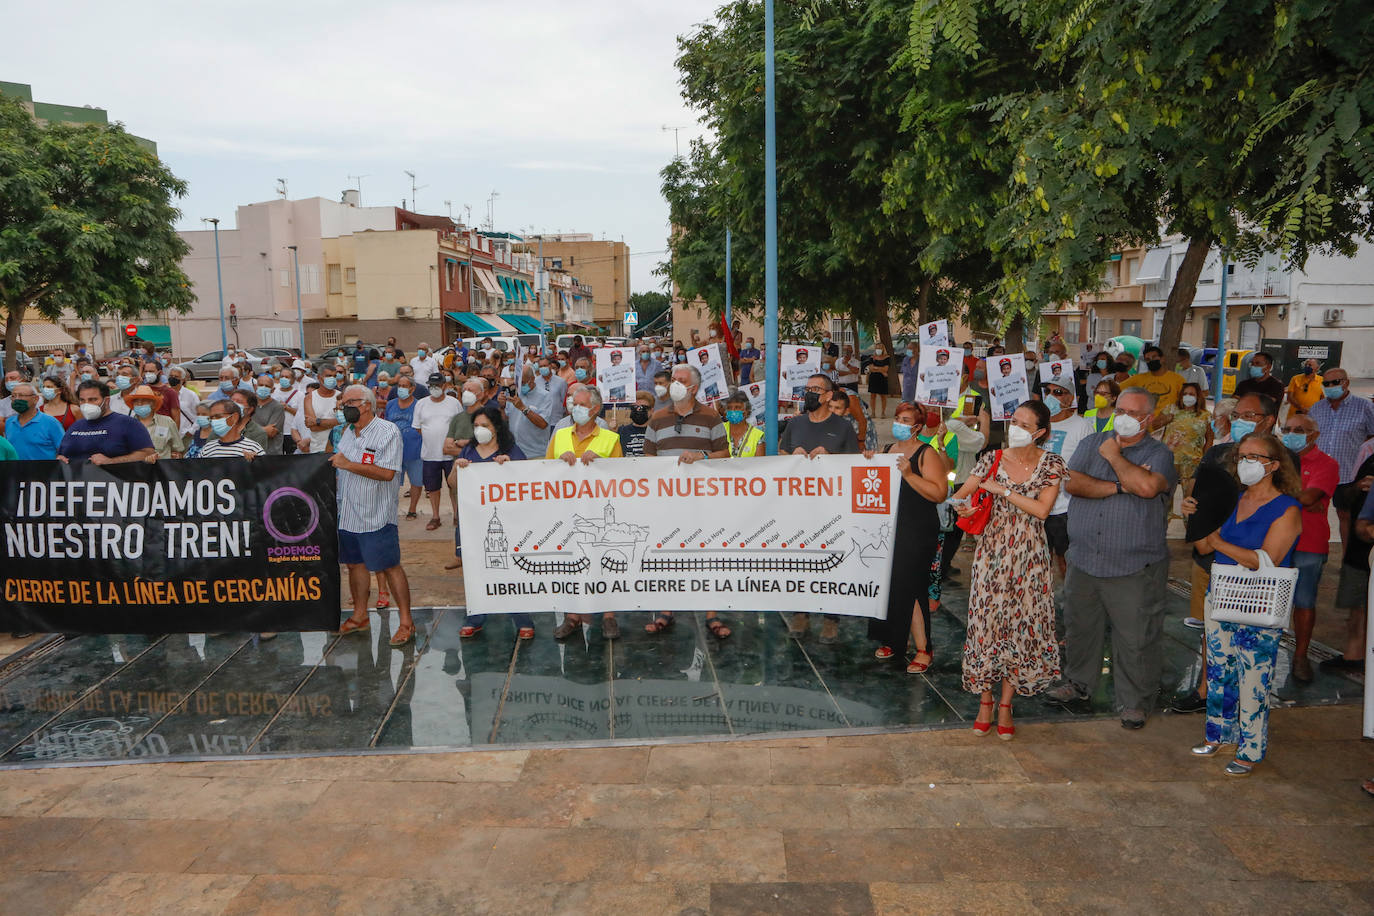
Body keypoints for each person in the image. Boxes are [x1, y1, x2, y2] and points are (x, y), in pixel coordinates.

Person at [1048, 389, 1178, 729]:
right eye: (1120, 409)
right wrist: (1121, 485)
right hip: (1085, 558)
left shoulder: (1159, 452)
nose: (1122, 416)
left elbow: (1149, 488)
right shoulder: (1092, 443)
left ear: (1148, 419)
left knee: (1135, 637)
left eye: (1132, 412)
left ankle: (1135, 701)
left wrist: (1116, 459)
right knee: (1080, 628)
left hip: (1133, 566)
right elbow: (1073, 483)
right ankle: (1078, 683)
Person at [952, 401, 1066, 740]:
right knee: (988, 627)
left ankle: (1006, 703)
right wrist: (966, 506)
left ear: (1040, 432)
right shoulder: (991, 459)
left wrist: (1003, 490)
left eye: (1023, 424)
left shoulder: (1053, 464)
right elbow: (960, 496)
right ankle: (984, 701)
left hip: (1030, 558)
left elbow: (1042, 510)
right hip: (992, 556)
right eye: (1013, 420)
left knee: (1021, 628)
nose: (1014, 427)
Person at [1190, 432, 1301, 775]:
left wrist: (1220, 540)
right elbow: (1204, 547)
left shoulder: (1288, 508)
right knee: (1219, 668)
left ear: (1273, 465)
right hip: (1221, 594)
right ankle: (1218, 735)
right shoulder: (1232, 499)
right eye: (1242, 456)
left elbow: (1265, 559)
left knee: (1253, 675)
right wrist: (1197, 514)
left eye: (1255, 457)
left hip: (1259, 603)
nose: (1246, 463)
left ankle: (1250, 750)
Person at [641, 365, 731, 639]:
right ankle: (666, 610)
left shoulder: (710, 417)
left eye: (680, 381)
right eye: (673, 380)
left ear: (693, 388)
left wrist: (701, 455)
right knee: (668, 554)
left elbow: (724, 454)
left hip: (703, 501)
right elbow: (648, 459)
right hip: (667, 502)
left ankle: (711, 613)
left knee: (706, 555)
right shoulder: (657, 418)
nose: (674, 384)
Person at [779, 373, 860, 644]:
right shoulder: (795, 424)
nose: (809, 393)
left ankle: (830, 618)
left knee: (831, 562)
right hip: (799, 505)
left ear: (828, 396)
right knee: (800, 560)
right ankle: (800, 613)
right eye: (807, 388)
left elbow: (853, 465)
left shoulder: (843, 427)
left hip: (831, 507)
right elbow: (780, 455)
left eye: (816, 389)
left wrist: (832, 458)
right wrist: (792, 457)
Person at [332, 386, 415, 647]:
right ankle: (359, 616)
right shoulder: (347, 432)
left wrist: (347, 465)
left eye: (348, 402)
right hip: (348, 514)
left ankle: (406, 622)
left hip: (376, 514)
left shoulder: (387, 432)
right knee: (354, 565)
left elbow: (388, 473)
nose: (344, 407)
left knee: (389, 566)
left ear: (366, 404)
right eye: (342, 403)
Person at [870, 401, 948, 672]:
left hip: (917, 527)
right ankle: (894, 639)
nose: (899, 424)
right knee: (890, 584)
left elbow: (939, 493)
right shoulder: (889, 449)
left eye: (905, 420)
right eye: (897, 418)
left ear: (917, 426)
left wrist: (909, 474)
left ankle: (924, 648)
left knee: (912, 586)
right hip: (890, 526)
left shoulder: (927, 453)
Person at [547, 384, 624, 640]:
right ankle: (573, 617)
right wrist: (560, 464)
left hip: (600, 512)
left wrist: (601, 465)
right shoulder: (559, 435)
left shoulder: (610, 438)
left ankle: (609, 616)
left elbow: (622, 477)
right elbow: (542, 472)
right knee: (571, 562)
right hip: (566, 511)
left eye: (581, 404)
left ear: (595, 408)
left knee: (605, 562)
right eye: (573, 402)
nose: (575, 408)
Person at [453, 405, 534, 639]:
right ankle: (475, 617)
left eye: (485, 426)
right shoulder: (468, 451)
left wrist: (510, 468)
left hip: (506, 524)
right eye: (476, 426)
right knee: (474, 569)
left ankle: (521, 618)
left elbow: (527, 482)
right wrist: (457, 469)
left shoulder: (512, 451)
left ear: (496, 427)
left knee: (510, 570)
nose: (480, 430)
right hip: (473, 522)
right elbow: (452, 482)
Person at [1276, 413, 1337, 683]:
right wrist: (1302, 499)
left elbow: (1310, 497)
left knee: (1303, 602)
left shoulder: (1326, 464)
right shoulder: (1276, 460)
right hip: (1275, 540)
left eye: (1299, 429)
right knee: (1271, 602)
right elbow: (1304, 499)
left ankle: (1300, 657)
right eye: (1287, 429)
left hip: (1309, 543)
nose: (1291, 433)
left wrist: (1282, 494)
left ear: (1314, 435)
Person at [1309, 366, 1374, 550]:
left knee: (1345, 515)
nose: (1330, 386)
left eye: (1335, 382)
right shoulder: (1317, 408)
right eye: (1326, 383)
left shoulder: (1365, 407)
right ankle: (1316, 552)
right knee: (1312, 512)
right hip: (1318, 473)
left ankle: (1346, 558)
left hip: (1347, 473)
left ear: (1346, 383)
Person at [1040, 379, 1094, 579]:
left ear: (1070, 398)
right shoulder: (1037, 424)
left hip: (1066, 508)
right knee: (1039, 562)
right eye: (1048, 391)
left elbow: (1091, 466)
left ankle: (1071, 603)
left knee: (1067, 560)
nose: (1052, 396)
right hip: (1036, 506)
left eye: (1059, 392)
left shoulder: (1081, 426)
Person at [57, 380, 154, 465]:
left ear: (107, 401)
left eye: (93, 399)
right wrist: (60, 460)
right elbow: (62, 454)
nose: (87, 404)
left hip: (115, 483)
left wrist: (111, 462)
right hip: (78, 483)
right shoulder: (75, 426)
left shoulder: (129, 424)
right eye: (82, 400)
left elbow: (148, 453)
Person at [415, 375, 465, 530]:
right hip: (430, 454)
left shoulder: (454, 403)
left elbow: (460, 425)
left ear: (444, 385)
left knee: (455, 486)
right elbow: (418, 427)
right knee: (433, 488)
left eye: (437, 385)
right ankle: (435, 517)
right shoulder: (421, 404)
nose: (434, 388)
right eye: (431, 385)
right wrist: (433, 438)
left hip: (451, 455)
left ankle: (457, 515)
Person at [1158, 382, 1211, 514]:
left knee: (1191, 498)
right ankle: (1162, 528)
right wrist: (1166, 419)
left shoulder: (1205, 415)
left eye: (1191, 394)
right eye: (1185, 394)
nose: (1188, 397)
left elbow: (1209, 438)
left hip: (1192, 463)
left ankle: (1190, 528)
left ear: (1198, 397)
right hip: (1169, 461)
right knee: (1165, 498)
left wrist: (1204, 458)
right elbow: (1154, 424)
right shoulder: (1171, 409)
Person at [384, 376, 425, 521]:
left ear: (412, 388)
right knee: (392, 483)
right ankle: (391, 510)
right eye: (399, 385)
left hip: (415, 451)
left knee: (416, 481)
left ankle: (412, 509)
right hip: (394, 452)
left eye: (404, 385)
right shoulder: (390, 405)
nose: (401, 388)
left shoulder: (420, 405)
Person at [1, 382, 64, 459]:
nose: (16, 399)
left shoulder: (51, 423)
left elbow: (64, 451)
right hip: (15, 470)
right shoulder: (9, 422)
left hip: (43, 470)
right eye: (13, 396)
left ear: (35, 399)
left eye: (21, 395)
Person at [506, 365, 554, 461]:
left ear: (532, 379)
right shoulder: (514, 394)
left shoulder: (545, 397)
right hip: (513, 453)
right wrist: (502, 405)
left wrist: (523, 408)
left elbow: (543, 424)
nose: (519, 386)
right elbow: (506, 418)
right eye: (517, 383)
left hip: (535, 455)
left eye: (522, 383)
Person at [126, 385, 184, 461]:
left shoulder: (167, 422)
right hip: (137, 469)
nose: (139, 403)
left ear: (153, 404)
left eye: (144, 400)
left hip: (162, 469)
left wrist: (177, 456)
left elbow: (178, 449)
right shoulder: (127, 424)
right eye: (136, 401)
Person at [1120, 345, 1184, 413]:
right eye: (1148, 359)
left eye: (1154, 357)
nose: (1151, 360)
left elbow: (1185, 401)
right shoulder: (1138, 378)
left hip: (1167, 421)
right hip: (1143, 420)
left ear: (1162, 359)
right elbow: (1115, 389)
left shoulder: (1177, 379)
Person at [198, 399, 265, 459]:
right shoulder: (207, 449)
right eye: (211, 418)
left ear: (234, 417)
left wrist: (256, 461)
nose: (213, 421)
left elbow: (264, 471)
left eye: (218, 416)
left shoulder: (253, 448)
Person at [304, 367, 341, 454]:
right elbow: (313, 427)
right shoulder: (310, 398)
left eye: (334, 376)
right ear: (320, 378)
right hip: (317, 448)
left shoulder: (341, 396)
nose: (332, 378)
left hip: (338, 448)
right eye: (329, 376)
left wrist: (317, 421)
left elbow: (344, 422)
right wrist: (336, 422)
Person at [248, 375, 286, 454]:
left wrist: (249, 432)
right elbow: (239, 430)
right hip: (250, 453)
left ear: (273, 389)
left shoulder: (278, 407)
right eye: (261, 385)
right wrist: (264, 429)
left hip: (271, 454)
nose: (263, 388)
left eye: (267, 386)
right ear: (255, 387)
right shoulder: (248, 406)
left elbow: (271, 433)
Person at [721, 391, 765, 458]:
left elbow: (759, 465)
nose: (733, 411)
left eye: (737, 407)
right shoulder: (719, 429)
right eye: (729, 408)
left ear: (746, 411)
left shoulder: (757, 435)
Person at [617, 389, 656, 457]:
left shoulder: (656, 432)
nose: (638, 410)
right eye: (634, 407)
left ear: (652, 410)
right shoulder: (621, 431)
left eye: (642, 407)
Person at [867, 344, 891, 417]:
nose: (878, 350)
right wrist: (881, 370)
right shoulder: (872, 357)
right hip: (873, 378)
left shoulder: (887, 357)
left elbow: (886, 369)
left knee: (883, 396)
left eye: (880, 348)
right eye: (877, 348)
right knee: (872, 396)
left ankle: (883, 413)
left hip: (882, 379)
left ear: (883, 349)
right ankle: (873, 413)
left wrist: (876, 368)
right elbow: (871, 368)